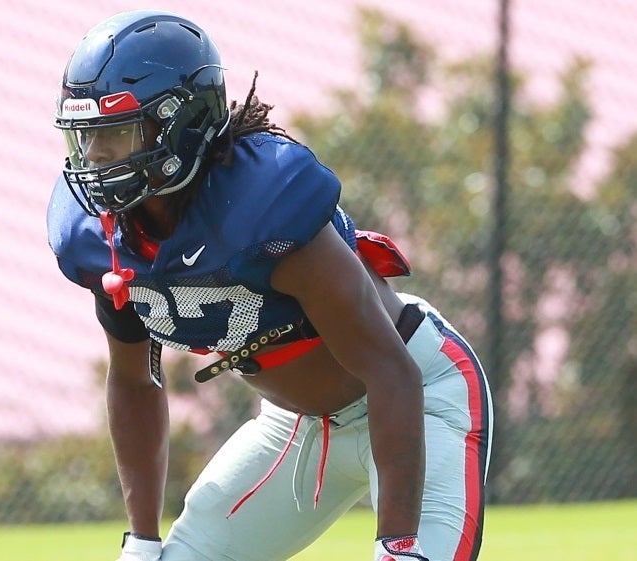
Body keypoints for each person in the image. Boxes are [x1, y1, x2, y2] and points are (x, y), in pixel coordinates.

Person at [46, 10, 492, 561]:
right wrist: (141, 539)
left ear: (180, 124)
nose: (93, 158)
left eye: (114, 134)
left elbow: (389, 369)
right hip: (296, 427)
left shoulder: (263, 206)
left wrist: (397, 545)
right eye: (85, 137)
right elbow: (136, 382)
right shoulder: (96, 235)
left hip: (416, 397)